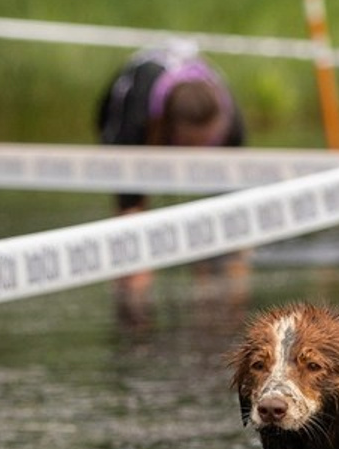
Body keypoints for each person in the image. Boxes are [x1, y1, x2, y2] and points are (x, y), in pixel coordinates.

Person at [95, 43, 247, 325]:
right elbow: (128, 205)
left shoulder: (232, 124)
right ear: (173, 134)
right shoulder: (134, 118)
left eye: (208, 144)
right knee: (133, 253)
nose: (201, 156)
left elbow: (231, 211)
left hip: (189, 108)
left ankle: (219, 315)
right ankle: (133, 320)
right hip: (131, 122)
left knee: (225, 244)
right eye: (193, 145)